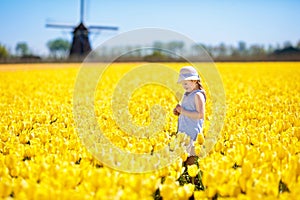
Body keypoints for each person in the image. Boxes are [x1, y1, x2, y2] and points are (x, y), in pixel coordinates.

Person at [173, 66, 206, 165]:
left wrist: (182, 111)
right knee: (183, 158)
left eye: (186, 83)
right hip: (184, 131)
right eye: (183, 83)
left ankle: (194, 180)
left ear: (194, 81)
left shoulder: (198, 95)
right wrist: (178, 112)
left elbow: (200, 114)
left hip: (193, 133)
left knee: (191, 160)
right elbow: (187, 110)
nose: (184, 86)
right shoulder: (187, 94)